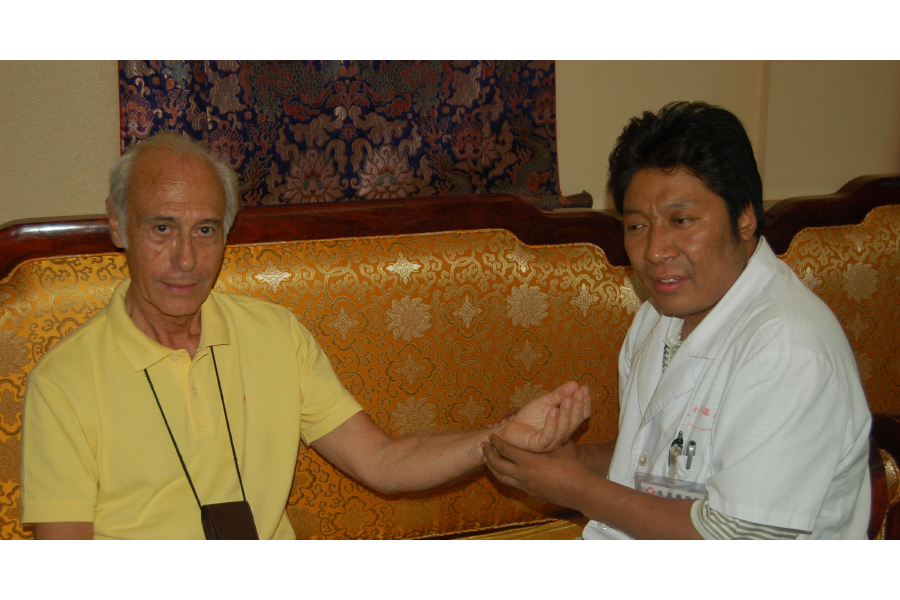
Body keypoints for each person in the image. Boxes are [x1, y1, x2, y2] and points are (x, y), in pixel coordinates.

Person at [21, 132, 591, 540]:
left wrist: (497, 437)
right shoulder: (64, 381)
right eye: (162, 228)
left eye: (206, 230)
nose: (186, 259)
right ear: (118, 225)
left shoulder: (275, 334)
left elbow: (382, 461)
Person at [482, 101, 872, 539]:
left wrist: (575, 488)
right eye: (636, 226)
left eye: (681, 220)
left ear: (745, 218)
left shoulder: (786, 348)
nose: (654, 250)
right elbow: (656, 455)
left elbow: (735, 540)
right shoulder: (658, 317)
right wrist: (568, 458)